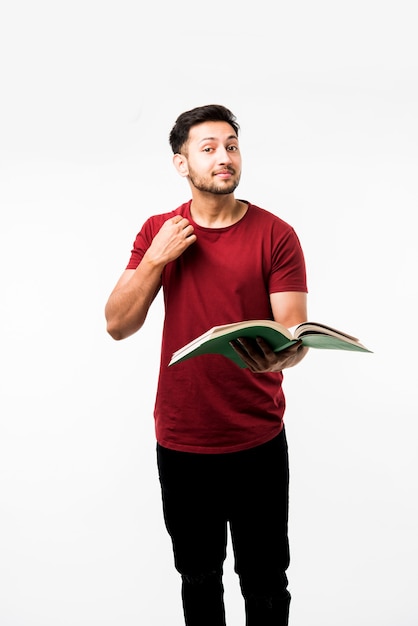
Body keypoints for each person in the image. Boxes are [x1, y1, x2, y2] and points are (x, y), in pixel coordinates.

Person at [105, 104, 309, 626]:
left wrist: (290, 349)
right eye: (209, 148)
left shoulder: (276, 234)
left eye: (232, 146)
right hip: (182, 438)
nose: (225, 157)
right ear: (181, 163)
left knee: (266, 581)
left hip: (258, 438)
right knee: (198, 578)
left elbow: (292, 327)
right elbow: (118, 324)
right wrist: (157, 257)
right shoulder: (159, 230)